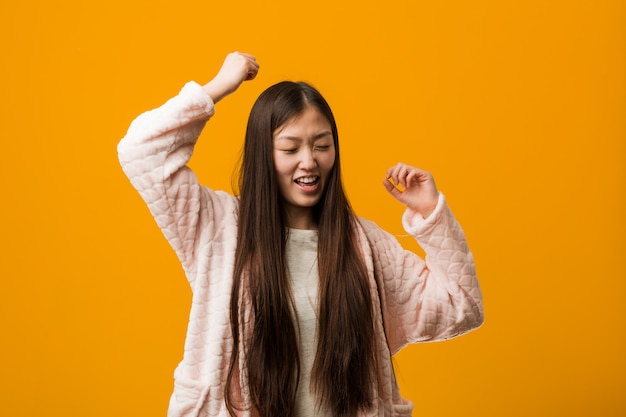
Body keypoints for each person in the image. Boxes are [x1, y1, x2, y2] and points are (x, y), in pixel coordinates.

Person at [118, 52, 483, 417]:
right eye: (290, 148)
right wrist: (217, 88)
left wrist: (430, 213)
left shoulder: (364, 245)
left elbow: (461, 306)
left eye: (322, 145)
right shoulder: (217, 227)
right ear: (264, 154)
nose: (308, 160)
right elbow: (141, 152)